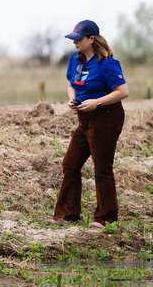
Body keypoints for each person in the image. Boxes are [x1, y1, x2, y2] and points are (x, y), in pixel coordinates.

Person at [53, 20, 130, 228]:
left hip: (106, 117)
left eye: (79, 39)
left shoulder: (107, 63)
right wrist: (72, 98)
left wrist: (96, 102)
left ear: (91, 39)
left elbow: (123, 92)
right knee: (70, 164)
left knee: (102, 168)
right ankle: (69, 214)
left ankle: (106, 217)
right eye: (73, 39)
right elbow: (71, 85)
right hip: (84, 119)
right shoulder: (75, 60)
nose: (75, 42)